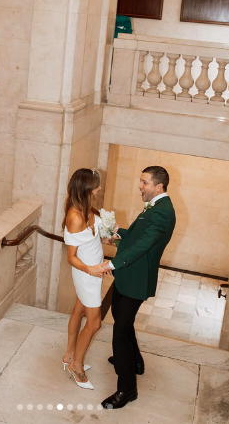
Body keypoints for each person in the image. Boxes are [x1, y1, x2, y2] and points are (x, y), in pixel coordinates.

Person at [92, 166, 176, 409]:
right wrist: (119, 233)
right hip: (129, 275)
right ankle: (135, 362)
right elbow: (141, 236)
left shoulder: (162, 212)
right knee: (121, 318)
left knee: (119, 332)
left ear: (159, 186)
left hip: (136, 277)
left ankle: (126, 389)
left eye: (144, 182)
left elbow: (144, 245)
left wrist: (112, 263)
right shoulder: (156, 206)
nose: (140, 186)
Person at [61, 168, 117, 390]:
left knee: (79, 309)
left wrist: (107, 246)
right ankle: (77, 366)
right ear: (87, 188)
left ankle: (69, 354)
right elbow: (71, 257)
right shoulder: (75, 216)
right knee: (94, 323)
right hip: (86, 273)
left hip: (94, 270)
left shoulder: (88, 209)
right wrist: (91, 269)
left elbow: (93, 241)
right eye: (96, 185)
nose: (99, 188)